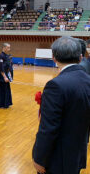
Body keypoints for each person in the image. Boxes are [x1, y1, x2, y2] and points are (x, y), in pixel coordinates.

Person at [32, 36, 90, 174]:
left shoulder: (56, 85)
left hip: (58, 159)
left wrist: (39, 158)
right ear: (81, 57)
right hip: (77, 153)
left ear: (54, 58)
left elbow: (48, 128)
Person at [0, 43, 13, 108]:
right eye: (8, 47)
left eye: (9, 47)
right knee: (1, 89)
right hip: (1, 75)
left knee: (6, 89)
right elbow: (1, 67)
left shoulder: (6, 56)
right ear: (4, 48)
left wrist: (9, 75)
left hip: (6, 74)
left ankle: (5, 103)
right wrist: (4, 76)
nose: (9, 49)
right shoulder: (1, 56)